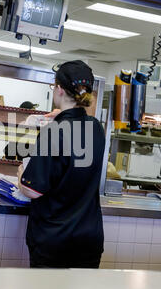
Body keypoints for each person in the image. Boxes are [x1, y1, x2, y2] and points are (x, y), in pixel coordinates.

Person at [17, 60, 105, 269]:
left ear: (58, 89)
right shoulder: (96, 129)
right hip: (88, 241)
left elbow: (32, 190)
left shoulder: (54, 132)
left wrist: (21, 174)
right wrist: (64, 116)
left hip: (54, 241)